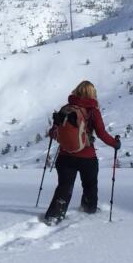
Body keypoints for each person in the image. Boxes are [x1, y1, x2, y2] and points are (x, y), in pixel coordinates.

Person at [42, 80, 120, 225]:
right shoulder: (93, 111)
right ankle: (89, 210)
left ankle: (54, 216)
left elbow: (54, 133)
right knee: (90, 185)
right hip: (87, 157)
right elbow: (102, 134)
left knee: (64, 186)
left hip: (65, 156)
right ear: (92, 94)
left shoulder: (65, 109)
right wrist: (115, 143)